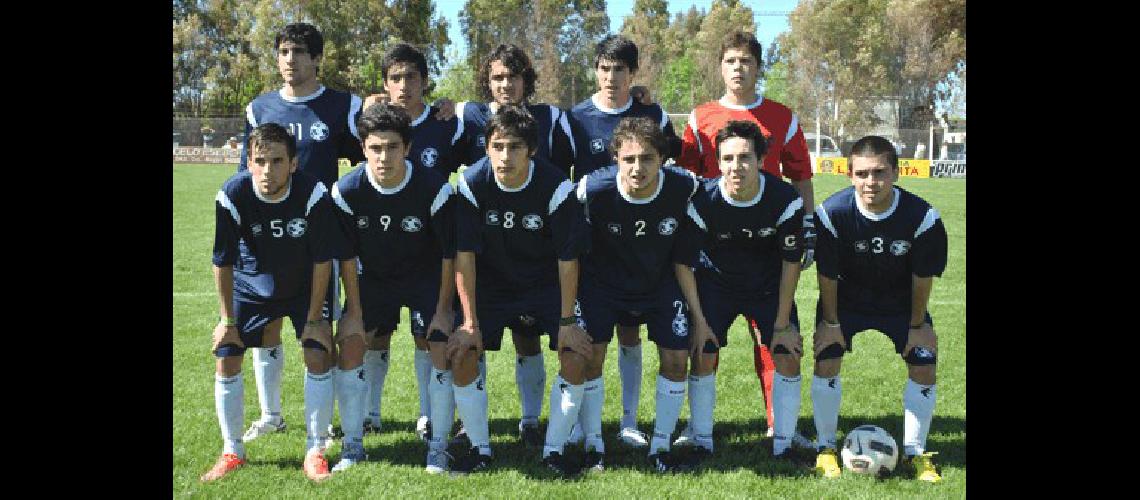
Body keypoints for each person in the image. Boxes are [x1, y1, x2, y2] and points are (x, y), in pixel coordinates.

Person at [675, 31, 817, 440]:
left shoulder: (782, 116)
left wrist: (806, 226)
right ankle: (697, 429)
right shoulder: (700, 117)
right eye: (731, 61)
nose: (738, 68)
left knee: (775, 340)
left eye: (746, 61)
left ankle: (780, 427)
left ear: (757, 67)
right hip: (713, 245)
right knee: (703, 342)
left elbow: (801, 175)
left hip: (769, 244)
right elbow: (686, 176)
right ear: (721, 67)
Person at [200, 123, 353, 482]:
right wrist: (227, 320)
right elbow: (222, 260)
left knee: (317, 350)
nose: (268, 171)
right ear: (249, 162)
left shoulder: (313, 193)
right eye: (260, 161)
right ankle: (232, 450)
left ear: (293, 163)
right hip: (252, 282)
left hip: (304, 283)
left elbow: (321, 260)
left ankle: (315, 449)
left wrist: (315, 318)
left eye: (277, 161)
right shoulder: (232, 195)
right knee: (227, 355)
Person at [237, 22, 365, 444]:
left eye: (298, 52)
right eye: (284, 52)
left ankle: (322, 426)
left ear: (316, 58)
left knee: (318, 328)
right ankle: (271, 414)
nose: (290, 60)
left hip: (317, 239)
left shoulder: (342, 106)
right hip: (269, 235)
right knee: (266, 326)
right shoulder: (260, 109)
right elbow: (246, 174)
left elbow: (374, 143)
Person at [445, 43, 578, 447]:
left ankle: (540, 426)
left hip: (538, 257)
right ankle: (474, 434)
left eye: (513, 76)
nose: (505, 84)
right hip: (492, 266)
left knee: (537, 340)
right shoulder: (469, 120)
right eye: (498, 77)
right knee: (470, 341)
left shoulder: (551, 122)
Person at [564, 35, 682, 449]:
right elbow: (565, 181)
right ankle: (582, 424)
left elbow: (676, 167)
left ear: (632, 74)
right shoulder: (574, 118)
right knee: (591, 341)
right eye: (604, 68)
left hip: (646, 245)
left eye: (620, 69)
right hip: (596, 247)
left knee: (631, 336)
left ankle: (629, 421)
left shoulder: (651, 112)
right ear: (594, 70)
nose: (611, 77)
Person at [809, 135, 947, 483]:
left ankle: (916, 452)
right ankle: (825, 449)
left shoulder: (922, 217)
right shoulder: (831, 213)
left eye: (880, 173)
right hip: (848, 300)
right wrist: (830, 321)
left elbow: (922, 276)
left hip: (900, 301)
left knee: (924, 362)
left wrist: (917, 325)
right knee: (827, 356)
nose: (871, 182)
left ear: (896, 173)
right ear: (849, 174)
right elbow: (827, 274)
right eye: (863, 174)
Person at [575, 117, 710, 473]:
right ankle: (593, 444)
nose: (638, 167)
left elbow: (720, 195)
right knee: (590, 359)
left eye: (647, 158)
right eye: (629, 158)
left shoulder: (685, 186)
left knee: (678, 361)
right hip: (604, 286)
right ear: (615, 158)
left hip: (660, 286)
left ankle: (661, 446)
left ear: (663, 159)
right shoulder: (593, 189)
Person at [330, 103, 458, 473]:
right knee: (353, 343)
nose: (383, 157)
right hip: (374, 279)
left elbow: (449, 255)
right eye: (375, 148)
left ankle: (438, 446)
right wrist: (353, 312)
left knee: (436, 342)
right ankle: (353, 446)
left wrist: (442, 309)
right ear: (362, 148)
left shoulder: (434, 188)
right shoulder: (347, 190)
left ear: (408, 148)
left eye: (392, 147)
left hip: (424, 277)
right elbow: (347, 258)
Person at [362, 43, 473, 441]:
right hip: (379, 249)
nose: (404, 85)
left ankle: (428, 415)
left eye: (411, 77)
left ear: (425, 81)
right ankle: (370, 412)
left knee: (427, 334)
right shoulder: (370, 120)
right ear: (385, 84)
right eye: (395, 77)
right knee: (375, 332)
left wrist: (454, 105)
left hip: (431, 253)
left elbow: (481, 151)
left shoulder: (446, 123)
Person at [679, 120, 806, 461]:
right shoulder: (702, 200)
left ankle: (785, 441)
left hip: (767, 287)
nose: (737, 167)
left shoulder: (784, 199)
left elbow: (791, 262)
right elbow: (683, 264)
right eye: (729, 159)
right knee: (703, 350)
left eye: (745, 158)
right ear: (718, 162)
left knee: (788, 353)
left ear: (762, 160)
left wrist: (781, 323)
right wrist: (700, 320)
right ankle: (700, 437)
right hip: (715, 284)